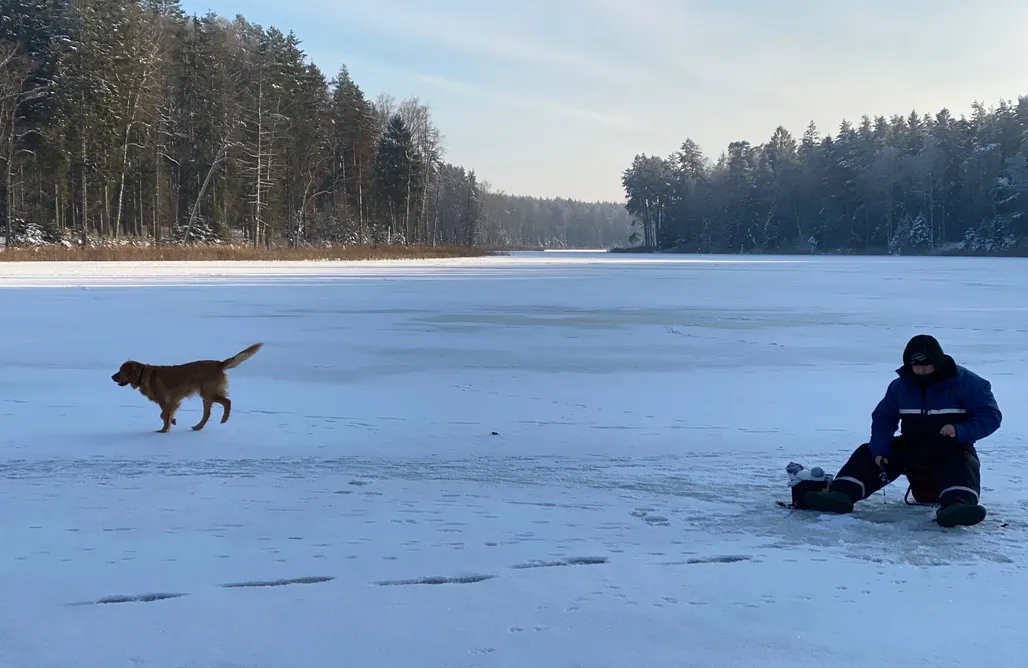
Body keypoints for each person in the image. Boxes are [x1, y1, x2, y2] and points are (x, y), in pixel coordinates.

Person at [803, 334, 1002, 528]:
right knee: (869, 453)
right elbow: (883, 417)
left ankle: (958, 506)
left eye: (926, 364)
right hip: (912, 444)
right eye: (916, 366)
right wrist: (880, 449)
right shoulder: (900, 387)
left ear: (938, 362)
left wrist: (960, 430)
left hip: (951, 445)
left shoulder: (968, 383)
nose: (922, 370)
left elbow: (990, 416)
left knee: (962, 462)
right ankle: (841, 494)